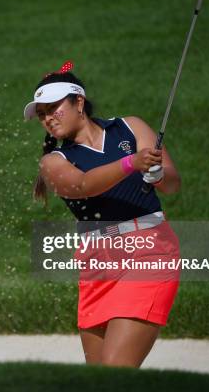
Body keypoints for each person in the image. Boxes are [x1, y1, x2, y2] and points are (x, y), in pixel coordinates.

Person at [24, 61, 182, 368]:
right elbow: (83, 186)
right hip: (97, 263)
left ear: (78, 102)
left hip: (148, 251)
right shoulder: (53, 162)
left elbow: (173, 185)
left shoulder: (131, 127)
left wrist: (158, 174)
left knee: (116, 371)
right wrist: (131, 164)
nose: (47, 118)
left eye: (53, 108)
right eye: (41, 114)